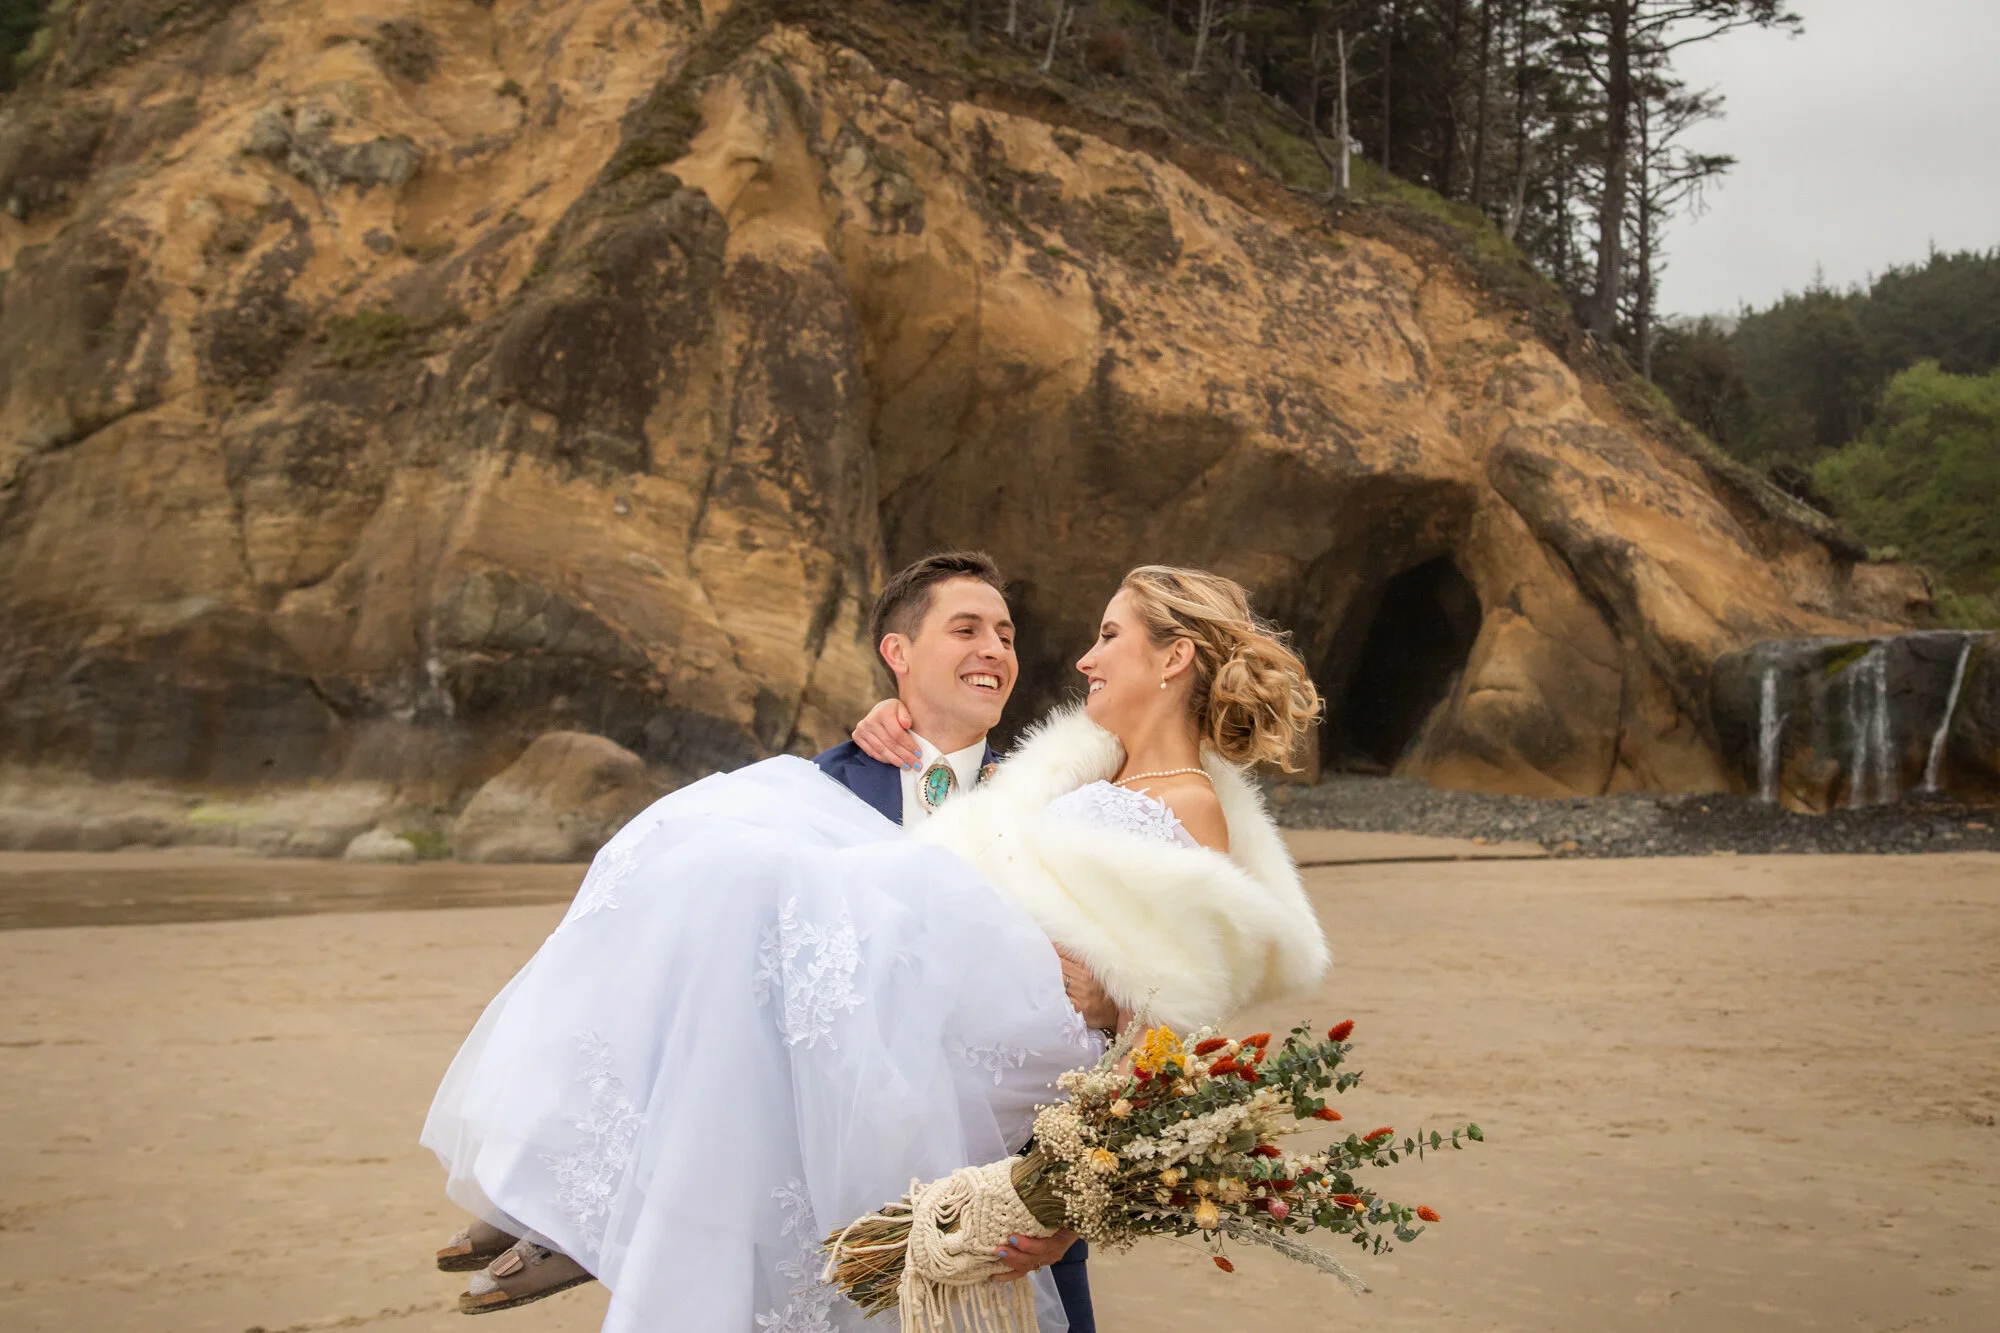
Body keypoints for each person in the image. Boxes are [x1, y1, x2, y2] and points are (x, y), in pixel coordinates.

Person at [421, 564, 1329, 1332]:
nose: (1080, 657)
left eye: (1108, 637)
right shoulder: (1064, 771)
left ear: (1173, 658)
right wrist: (899, 737)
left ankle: (588, 1198)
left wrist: (1073, 1190)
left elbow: (1164, 1019)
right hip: (953, 1008)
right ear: (899, 656)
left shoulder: (1186, 801)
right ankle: (589, 1194)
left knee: (751, 868)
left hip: (1014, 1044)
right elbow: (997, 847)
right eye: (968, 629)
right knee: (726, 850)